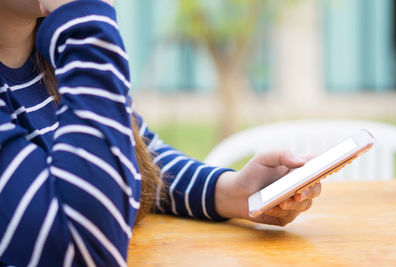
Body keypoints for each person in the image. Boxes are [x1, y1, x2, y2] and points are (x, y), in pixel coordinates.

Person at [0, 0, 321, 265]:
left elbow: (137, 153)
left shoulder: (62, 56)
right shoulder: (80, 41)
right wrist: (84, 23)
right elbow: (83, 253)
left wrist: (231, 191)